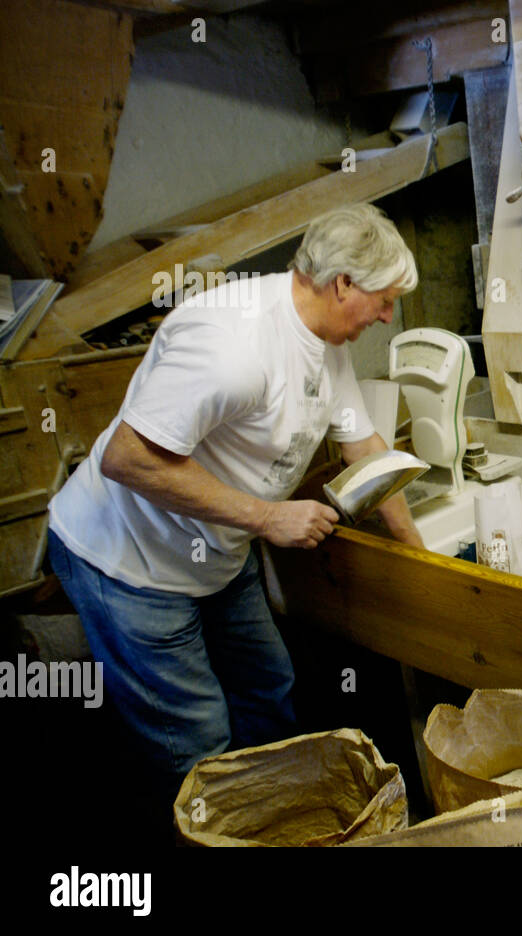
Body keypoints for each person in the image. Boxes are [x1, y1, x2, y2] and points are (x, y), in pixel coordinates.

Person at [46, 203, 424, 797]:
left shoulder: (325, 337)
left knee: (269, 691)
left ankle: (270, 822)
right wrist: (269, 516)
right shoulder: (234, 347)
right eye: (384, 299)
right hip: (132, 560)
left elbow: (367, 451)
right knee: (196, 747)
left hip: (217, 552)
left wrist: (419, 558)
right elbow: (128, 459)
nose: (386, 315)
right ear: (342, 283)